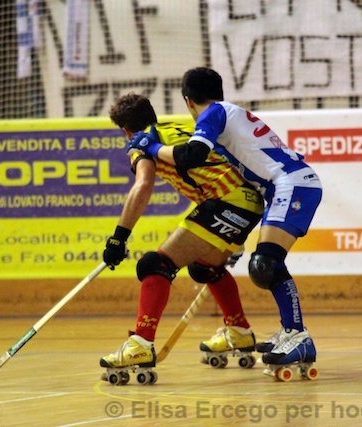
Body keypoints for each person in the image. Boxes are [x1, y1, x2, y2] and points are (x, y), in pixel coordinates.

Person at [126, 67, 322, 370]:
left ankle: (297, 336)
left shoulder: (213, 114)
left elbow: (191, 157)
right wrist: (233, 237)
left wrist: (149, 146)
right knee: (264, 264)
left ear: (188, 101)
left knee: (266, 264)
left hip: (290, 183)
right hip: (283, 186)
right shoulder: (228, 114)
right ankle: (291, 333)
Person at [100, 93, 265, 382]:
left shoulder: (141, 142)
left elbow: (143, 186)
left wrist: (118, 237)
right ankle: (239, 331)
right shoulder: (178, 129)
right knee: (205, 267)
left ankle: (140, 345)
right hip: (249, 202)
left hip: (226, 202)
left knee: (154, 265)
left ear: (125, 130)